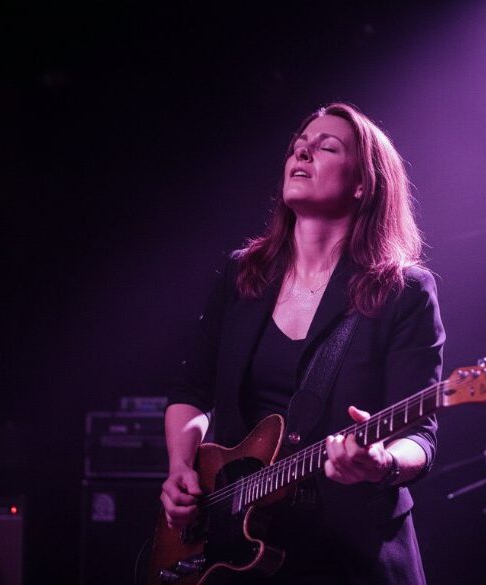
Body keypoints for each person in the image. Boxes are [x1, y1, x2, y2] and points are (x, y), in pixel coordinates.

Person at [161, 102, 445, 584]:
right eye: (299, 147)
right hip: (235, 545)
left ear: (363, 183)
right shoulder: (242, 274)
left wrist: (382, 464)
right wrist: (179, 468)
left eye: (326, 147)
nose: (304, 152)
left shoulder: (402, 291)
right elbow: (193, 391)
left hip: (350, 552)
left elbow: (421, 434)